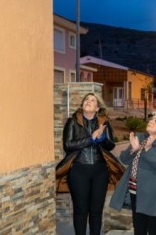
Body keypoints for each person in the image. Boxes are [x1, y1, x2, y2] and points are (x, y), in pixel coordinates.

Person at [56, 93, 123, 235]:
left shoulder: (104, 123)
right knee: (81, 209)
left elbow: (110, 145)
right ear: (82, 105)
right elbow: (68, 145)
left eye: (93, 100)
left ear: (97, 108)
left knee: (96, 210)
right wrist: (91, 139)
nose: (88, 101)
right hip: (79, 170)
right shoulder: (72, 121)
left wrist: (102, 138)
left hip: (100, 171)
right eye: (86, 99)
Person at [109, 112, 156, 235]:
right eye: (151, 118)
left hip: (154, 194)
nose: (151, 121)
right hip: (136, 191)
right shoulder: (140, 138)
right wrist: (133, 149)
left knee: (154, 230)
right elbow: (124, 159)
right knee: (139, 229)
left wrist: (147, 150)